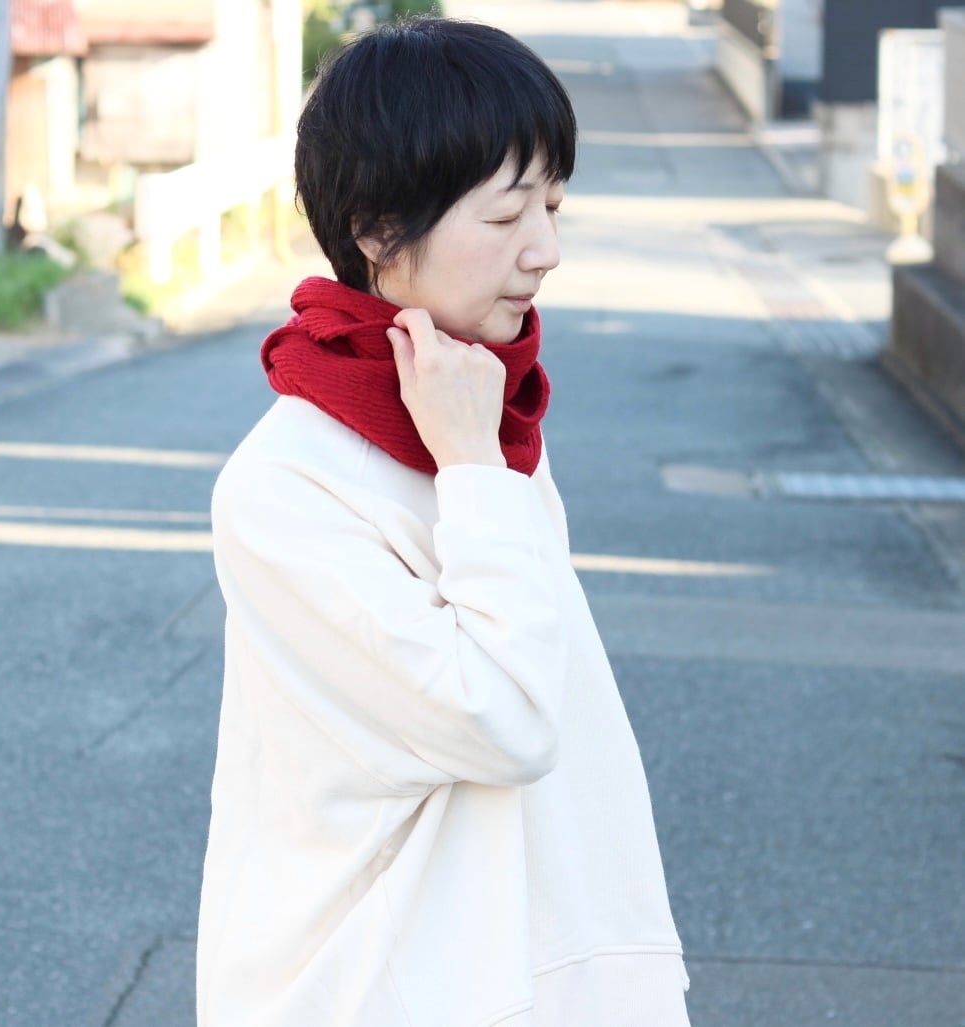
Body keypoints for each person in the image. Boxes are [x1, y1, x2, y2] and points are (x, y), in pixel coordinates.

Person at [197, 16, 690, 1027]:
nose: (545, 252)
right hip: (374, 982)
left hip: (535, 963)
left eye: (553, 206)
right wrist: (470, 467)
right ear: (378, 230)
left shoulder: (482, 417)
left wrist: (474, 458)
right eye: (506, 215)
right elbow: (501, 721)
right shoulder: (289, 486)